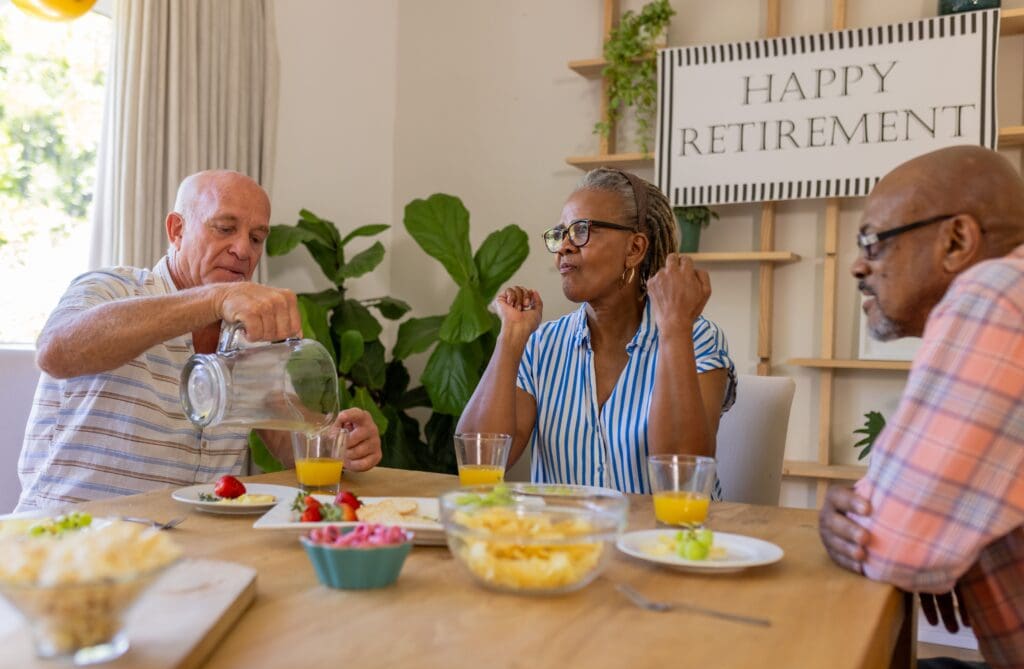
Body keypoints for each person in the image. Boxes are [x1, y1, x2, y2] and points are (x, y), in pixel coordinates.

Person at [17, 170, 382, 511]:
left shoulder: (249, 334)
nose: (244, 250)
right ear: (177, 230)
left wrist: (341, 445)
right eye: (225, 229)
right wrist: (214, 299)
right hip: (69, 535)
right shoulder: (111, 288)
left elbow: (288, 440)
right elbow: (55, 352)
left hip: (190, 542)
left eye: (256, 238)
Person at [817, 146, 1024, 669]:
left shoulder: (998, 292)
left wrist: (865, 518)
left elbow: (891, 544)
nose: (859, 265)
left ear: (956, 240)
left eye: (873, 241)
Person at [458, 168, 736, 494]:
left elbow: (683, 480)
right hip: (567, 528)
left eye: (581, 230)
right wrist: (511, 338)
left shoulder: (694, 337)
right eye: (561, 234)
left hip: (663, 528)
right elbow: (477, 460)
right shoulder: (543, 345)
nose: (564, 246)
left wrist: (674, 329)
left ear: (634, 249)